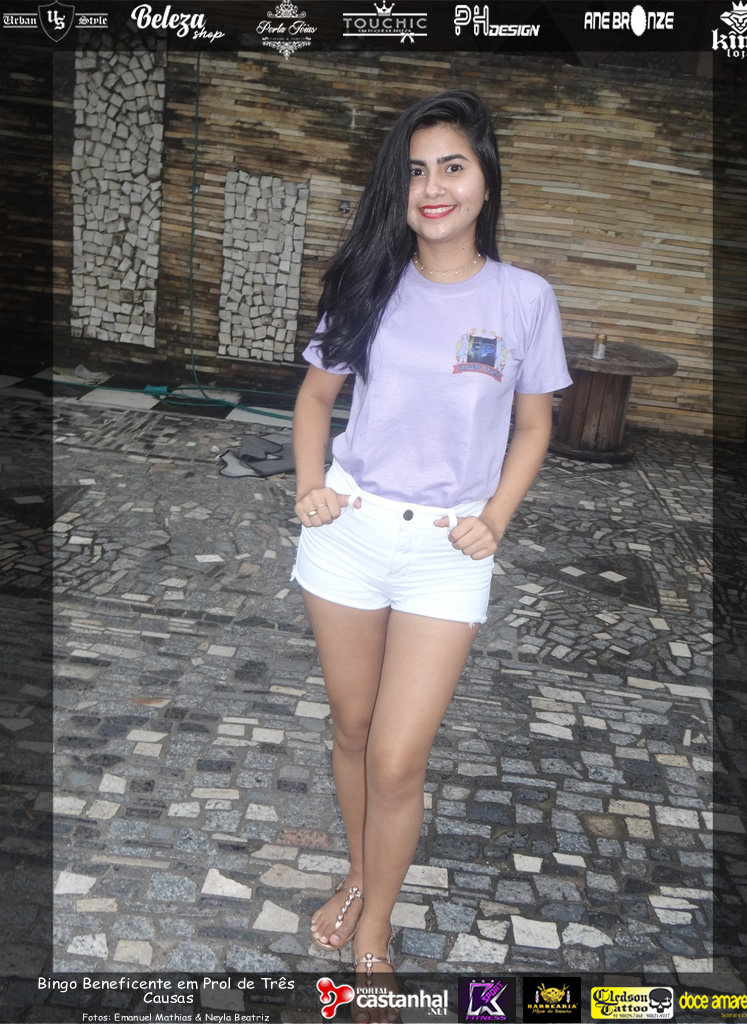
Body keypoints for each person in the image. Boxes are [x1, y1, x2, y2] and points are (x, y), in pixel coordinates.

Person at [291, 91, 572, 990]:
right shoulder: (367, 282)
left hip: (448, 554)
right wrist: (308, 485)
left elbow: (534, 425)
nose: (433, 186)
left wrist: (498, 516)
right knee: (352, 728)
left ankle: (375, 919)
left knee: (397, 755)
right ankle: (359, 872)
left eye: (453, 165)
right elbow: (315, 399)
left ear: (486, 181)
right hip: (350, 533)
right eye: (415, 171)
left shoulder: (524, 299)